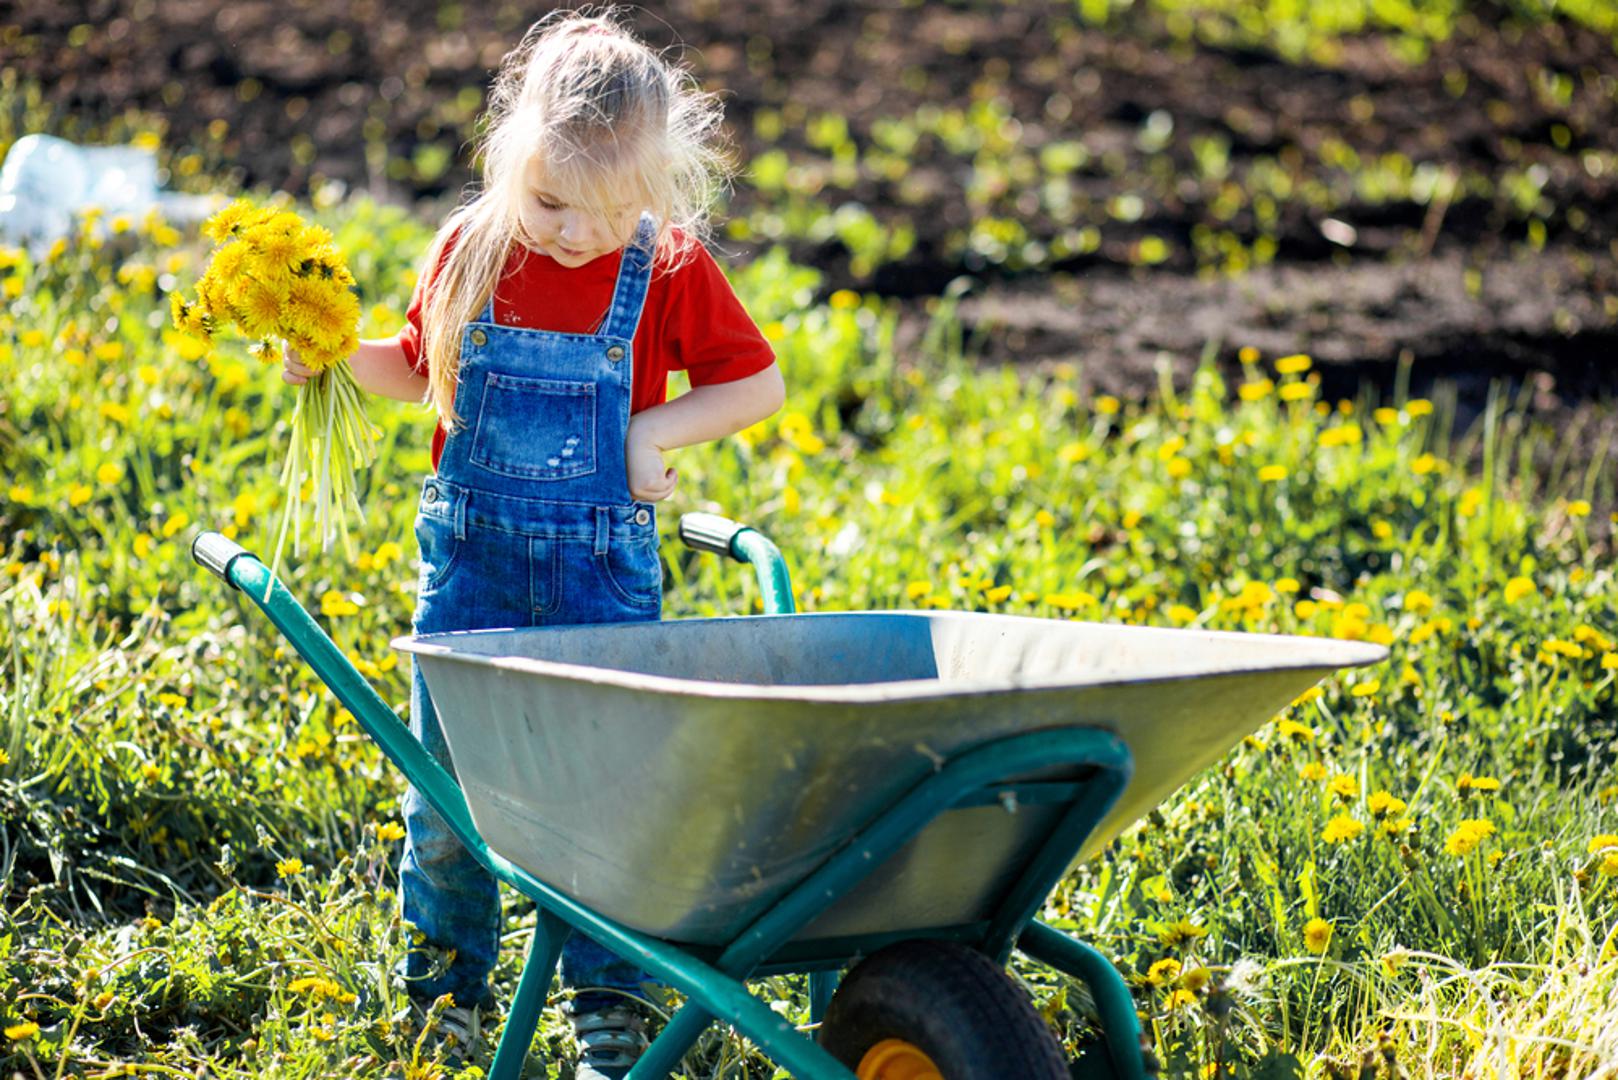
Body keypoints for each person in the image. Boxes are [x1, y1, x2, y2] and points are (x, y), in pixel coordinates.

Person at [283, 11, 784, 1078]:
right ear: (513, 158)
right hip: (470, 575)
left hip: (601, 581)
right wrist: (330, 354)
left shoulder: (667, 266)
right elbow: (422, 369)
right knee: (449, 800)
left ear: (653, 193)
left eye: (607, 214)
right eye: (552, 201)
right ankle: (444, 991)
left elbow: (758, 383)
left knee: (607, 796)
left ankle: (608, 996)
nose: (570, 234)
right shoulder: (474, 248)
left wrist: (657, 426)